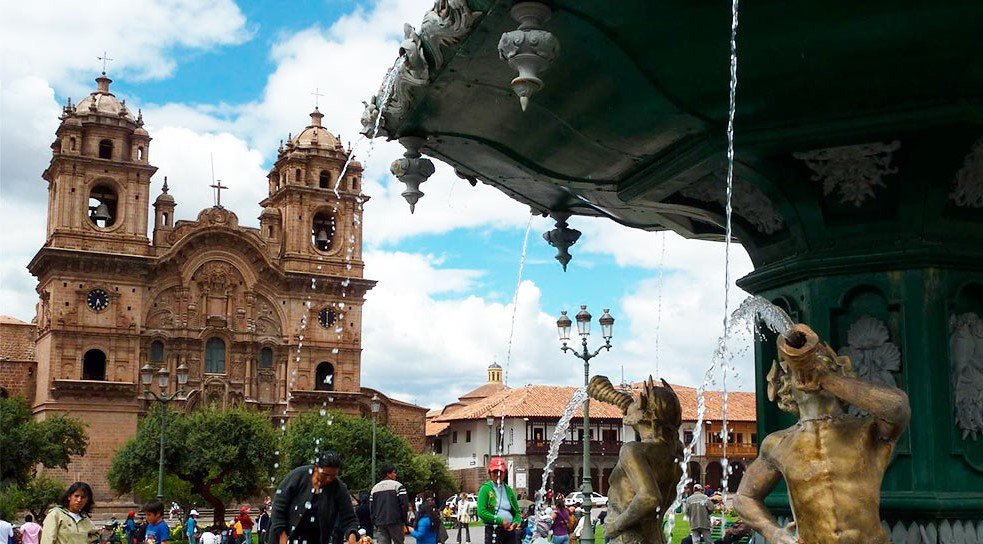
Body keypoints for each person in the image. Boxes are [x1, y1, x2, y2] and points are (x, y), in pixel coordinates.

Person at [734, 324, 910, 544]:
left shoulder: (866, 430)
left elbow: (897, 407)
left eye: (821, 364)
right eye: (793, 371)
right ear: (784, 384)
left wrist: (828, 380)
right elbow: (744, 497)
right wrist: (773, 532)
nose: (808, 374)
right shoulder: (778, 443)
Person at [269, 450, 358, 544]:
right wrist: (282, 535)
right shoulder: (298, 476)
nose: (329, 479)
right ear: (316, 467)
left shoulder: (338, 488)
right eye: (325, 475)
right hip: (285, 536)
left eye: (333, 476)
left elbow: (349, 519)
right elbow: (278, 507)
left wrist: (352, 536)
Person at [476, 457, 521, 544]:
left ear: (505, 473)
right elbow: (481, 512)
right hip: (494, 529)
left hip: (510, 531)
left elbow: (517, 512)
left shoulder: (509, 490)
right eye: (495, 472)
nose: (498, 475)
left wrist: (515, 523)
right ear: (490, 473)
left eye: (501, 472)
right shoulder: (485, 489)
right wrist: (501, 521)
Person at [369, 465, 409, 544]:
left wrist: (375, 521)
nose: (395, 475)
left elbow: (371, 508)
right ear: (388, 474)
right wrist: (404, 520)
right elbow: (404, 505)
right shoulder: (398, 486)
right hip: (395, 521)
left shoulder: (374, 488)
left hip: (380, 522)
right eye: (394, 472)